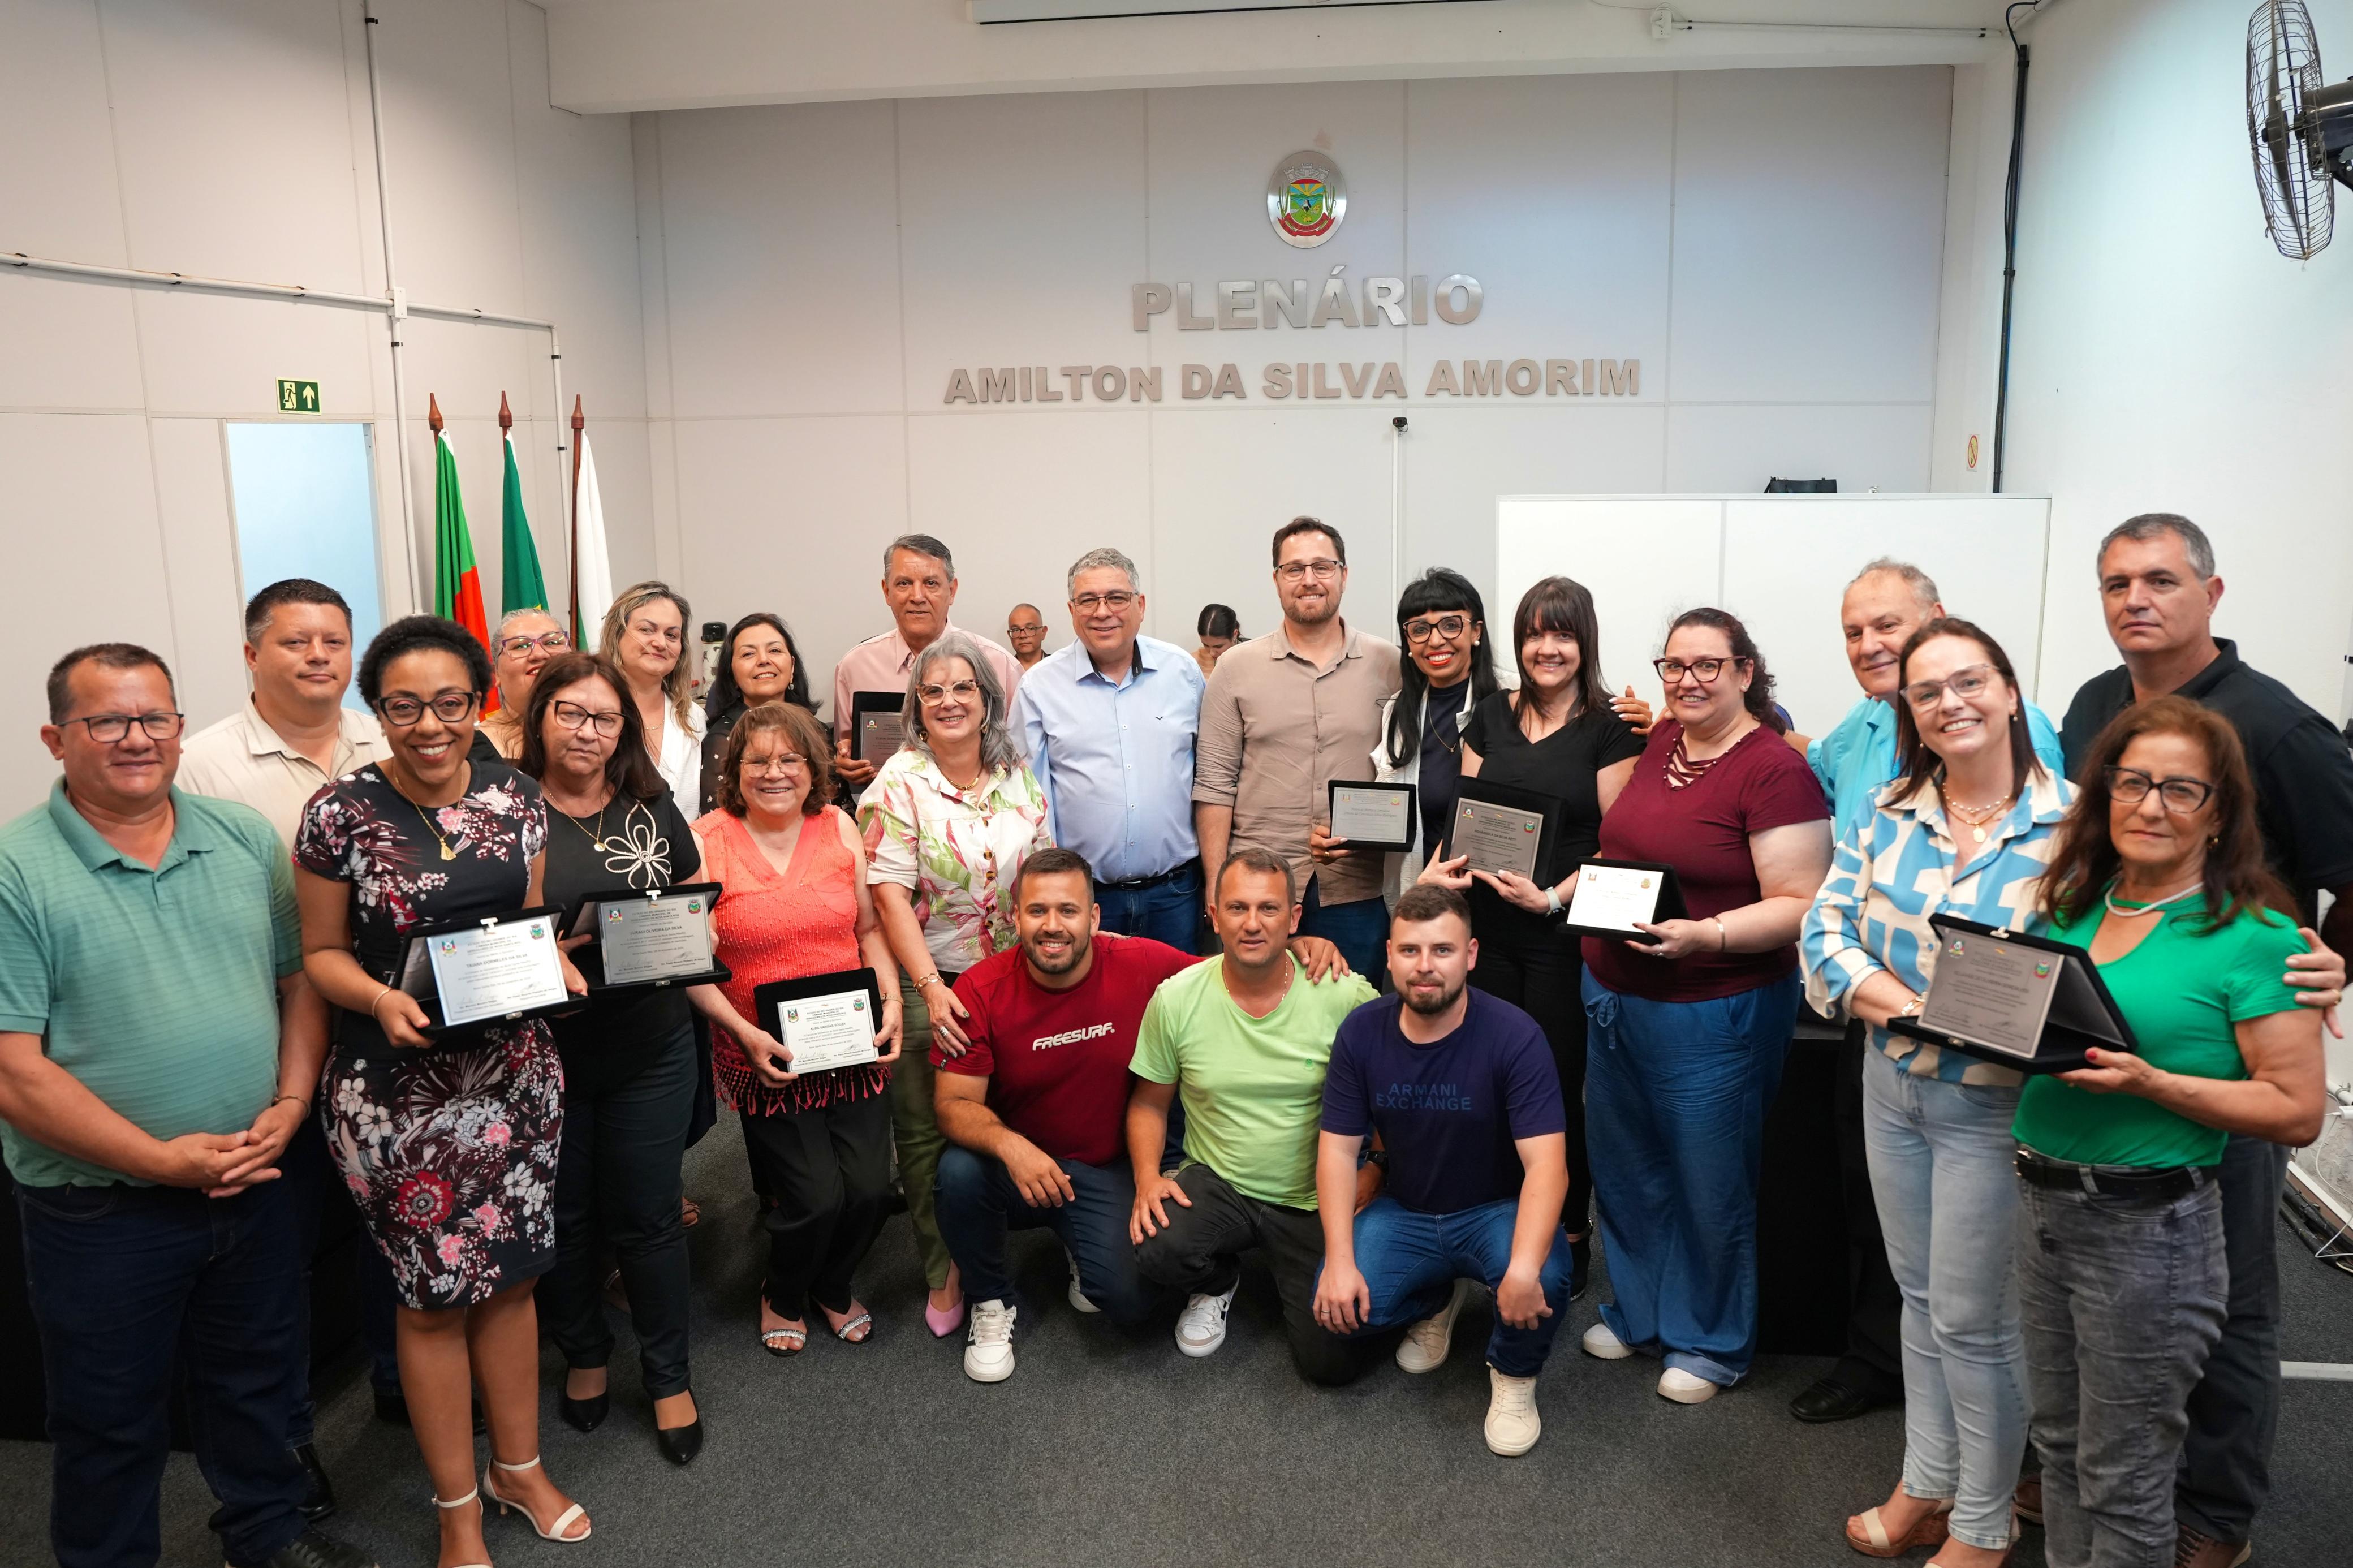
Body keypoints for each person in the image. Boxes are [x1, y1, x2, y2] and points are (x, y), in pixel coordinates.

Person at [0, 644, 372, 1568]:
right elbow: (14, 1071)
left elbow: (299, 983)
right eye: (107, 720)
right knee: (109, 1417)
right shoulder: (14, 871)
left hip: (254, 1175)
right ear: (56, 738)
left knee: (257, 1384)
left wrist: (293, 1101)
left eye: (155, 717)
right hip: (102, 1209)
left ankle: (267, 1535)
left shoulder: (241, 837)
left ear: (178, 726)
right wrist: (160, 1160)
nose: (137, 738)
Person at [2055, 514, 2353, 1568]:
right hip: (2119, 1045)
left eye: (2161, 580)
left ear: (2212, 595)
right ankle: (2113, 1482)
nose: (2136, 600)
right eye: (2116, 583)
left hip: (2230, 1064)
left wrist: (2333, 966)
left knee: (2230, 1303)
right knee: (2110, 1310)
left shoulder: (2278, 728)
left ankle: (2216, 1516)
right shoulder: (2095, 704)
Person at [292, 615, 591, 1568]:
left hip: (514, 1077)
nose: (430, 724)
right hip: (397, 1096)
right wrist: (380, 997)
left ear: (478, 701)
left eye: (450, 702)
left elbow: (528, 923)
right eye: (403, 706)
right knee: (432, 1302)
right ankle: (457, 1507)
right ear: (376, 711)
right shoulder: (339, 813)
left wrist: (556, 963)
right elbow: (320, 954)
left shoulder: (517, 794)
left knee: (514, 1280)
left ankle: (520, 1468)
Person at [2018, 696, 2326, 1568]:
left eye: (2181, 790)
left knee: (2124, 1477)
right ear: (2105, 793)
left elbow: (2296, 1111)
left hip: (2148, 1233)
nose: (2151, 806)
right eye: (2134, 783)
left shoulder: (2257, 937)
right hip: (2042, 1211)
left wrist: (2152, 1082)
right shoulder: (2071, 906)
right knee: (2060, 1448)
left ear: (2220, 813)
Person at [1802, 619, 2067, 1567]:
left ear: (2009, 690)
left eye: (1969, 682)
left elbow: (2097, 969)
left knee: (1975, 1320)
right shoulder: (1888, 809)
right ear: (1907, 711)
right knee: (1915, 1299)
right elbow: (1826, 933)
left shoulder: (2075, 827)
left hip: (1994, 1109)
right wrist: (1917, 1012)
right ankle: (1928, 1480)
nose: (1950, 703)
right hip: (1892, 1087)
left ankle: (1984, 1524)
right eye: (1926, 692)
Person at [1577, 608, 1833, 1403]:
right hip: (1617, 997)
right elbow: (1621, 856)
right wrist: (1555, 896)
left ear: (1745, 672)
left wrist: (1709, 936)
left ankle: (1709, 1340)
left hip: (1714, 1005)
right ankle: (1640, 1314)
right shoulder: (1664, 742)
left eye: (1707, 665)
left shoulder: (1775, 771)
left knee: (1707, 1181)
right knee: (1627, 1171)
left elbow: (1800, 903)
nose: (1687, 680)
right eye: (1674, 665)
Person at [177, 577, 392, 1493]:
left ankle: (401, 1385)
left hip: (391, 1038)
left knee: (394, 1226)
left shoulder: (389, 741)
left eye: (333, 641)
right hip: (272, 1049)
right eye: (296, 641)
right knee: (278, 1259)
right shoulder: (200, 766)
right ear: (251, 653)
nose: (318, 657)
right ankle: (286, 1442)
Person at [1417, 576, 1645, 1302]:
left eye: (1562, 635)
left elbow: (1620, 844)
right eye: (1534, 634)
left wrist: (1552, 897)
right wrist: (1433, 882)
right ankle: (1496, 1221)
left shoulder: (1609, 728)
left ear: (1584, 643)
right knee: (1481, 1079)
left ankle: (1569, 1235)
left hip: (1558, 935)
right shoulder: (1489, 715)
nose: (1547, 648)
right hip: (1485, 931)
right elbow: (1466, 818)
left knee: (1552, 1087)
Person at [516, 652, 704, 1465]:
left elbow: (695, 903)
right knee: (565, 1218)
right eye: (571, 713)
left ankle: (668, 1377)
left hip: (650, 1043)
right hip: (543, 1053)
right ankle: (587, 1355)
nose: (588, 731)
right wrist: (547, 949)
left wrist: (673, 932)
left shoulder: (649, 804)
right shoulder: (505, 810)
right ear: (541, 717)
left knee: (650, 1216)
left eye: (605, 717)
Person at [1311, 885, 1574, 1456]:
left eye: (1442, 950)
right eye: (1410, 950)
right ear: (1389, 955)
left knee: (1546, 1276)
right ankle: (1437, 1299)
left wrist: (1522, 1268)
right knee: (1337, 1307)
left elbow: (1548, 1168)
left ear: (1471, 955)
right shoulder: (1361, 1032)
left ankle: (1514, 1372)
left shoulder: (1514, 1035)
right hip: (1406, 1209)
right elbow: (1336, 1152)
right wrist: (1338, 1261)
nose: (1425, 966)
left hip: (1495, 1210)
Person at [933, 847, 1199, 1381]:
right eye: (1037, 911)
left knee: (1132, 1302)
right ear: (1016, 918)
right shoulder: (980, 989)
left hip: (1106, 1166)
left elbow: (1232, 971)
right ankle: (990, 1300)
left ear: (1095, 918)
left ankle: (1080, 1243)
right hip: (1021, 1172)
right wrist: (1013, 1147)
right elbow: (952, 1105)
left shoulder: (1143, 963)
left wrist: (1302, 947)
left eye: (1068, 911)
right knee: (957, 1173)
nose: (1052, 926)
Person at [689, 700, 904, 1355]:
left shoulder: (839, 826)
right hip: (766, 1051)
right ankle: (782, 1292)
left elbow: (869, 928)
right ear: (735, 771)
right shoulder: (706, 840)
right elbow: (690, 966)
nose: (774, 772)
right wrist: (740, 1031)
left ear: (813, 768)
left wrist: (891, 1000)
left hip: (849, 1041)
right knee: (813, 1199)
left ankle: (831, 1285)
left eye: (789, 759)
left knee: (871, 1191)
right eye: (757, 761)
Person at [859, 631, 1053, 1336]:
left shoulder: (1015, 775)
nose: (948, 701)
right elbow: (887, 895)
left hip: (1013, 980)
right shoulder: (898, 783)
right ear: (915, 705)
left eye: (962, 688)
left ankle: (998, 1244)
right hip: (931, 982)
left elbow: (1039, 872)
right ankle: (943, 1270)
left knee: (1008, 1116)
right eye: (933, 690)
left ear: (986, 699)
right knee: (923, 1133)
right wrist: (928, 987)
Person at [1128, 848, 1378, 1381]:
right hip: (1219, 1183)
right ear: (1214, 916)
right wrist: (1148, 1178)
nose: (1252, 923)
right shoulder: (1177, 999)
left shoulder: (1343, 995)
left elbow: (1397, 1093)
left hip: (1314, 1198)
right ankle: (1216, 1282)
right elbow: (1149, 1103)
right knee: (1158, 1244)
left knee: (1332, 1365)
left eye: (1269, 909)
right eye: (1237, 908)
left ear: (1294, 917)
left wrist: (1378, 1166)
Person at [1195, 517, 1402, 979]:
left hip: (1356, 889)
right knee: (1259, 1010)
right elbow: (1215, 783)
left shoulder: (1389, 664)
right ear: (1277, 580)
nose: (1309, 580)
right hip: (1258, 888)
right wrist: (1216, 881)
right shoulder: (1235, 668)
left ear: (1344, 575)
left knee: (1352, 1011)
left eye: (1322, 567)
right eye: (1294, 569)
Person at [1014, 546, 1206, 952]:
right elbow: (1029, 798)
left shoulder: (1183, 673)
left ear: (1140, 605)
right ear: (1072, 610)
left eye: (1117, 598)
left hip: (1176, 894)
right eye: (1088, 600)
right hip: (1084, 899)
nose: (1103, 612)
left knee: (1180, 992)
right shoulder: (1040, 686)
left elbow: (1210, 774)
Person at [831, 535, 1024, 792]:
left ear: (952, 590)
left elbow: (1020, 756)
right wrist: (845, 761)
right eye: (904, 583)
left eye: (931, 583)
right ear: (887, 591)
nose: (917, 596)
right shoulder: (855, 667)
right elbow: (846, 744)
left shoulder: (1000, 665)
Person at [1371, 568, 1502, 901]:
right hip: (1425, 892)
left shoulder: (1513, 699)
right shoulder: (1398, 710)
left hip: (1502, 894)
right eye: (1419, 629)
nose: (1435, 641)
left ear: (1476, 631)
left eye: (1450, 625)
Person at [599, 581, 705, 804]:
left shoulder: (693, 717)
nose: (660, 643)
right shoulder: (592, 713)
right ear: (617, 635)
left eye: (672, 635)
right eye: (647, 630)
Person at [699, 611, 815, 814]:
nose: (763, 660)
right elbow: (719, 824)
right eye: (748, 654)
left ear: (792, 667)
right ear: (732, 674)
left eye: (775, 650)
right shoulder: (724, 740)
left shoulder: (816, 730)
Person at [474, 608, 570, 760]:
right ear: (496, 673)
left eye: (552, 642)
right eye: (521, 646)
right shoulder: (469, 750)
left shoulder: (602, 734)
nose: (539, 654)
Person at [1193, 603, 1240, 679]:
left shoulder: (1251, 657)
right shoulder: (1194, 661)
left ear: (1235, 634)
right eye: (1206, 645)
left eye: (1218, 646)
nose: (1212, 653)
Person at [1005, 604, 1049, 669]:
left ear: (1043, 632)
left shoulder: (1059, 668)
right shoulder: (1001, 671)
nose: (1022, 636)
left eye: (1030, 629)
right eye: (1015, 630)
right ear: (1010, 635)